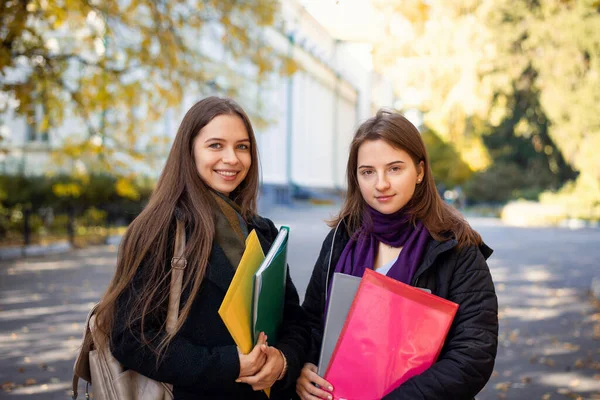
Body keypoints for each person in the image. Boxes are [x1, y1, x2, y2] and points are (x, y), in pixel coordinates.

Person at [93, 96, 307, 400]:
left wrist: (283, 360)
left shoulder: (263, 230)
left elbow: (294, 320)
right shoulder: (159, 231)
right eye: (216, 145)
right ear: (189, 150)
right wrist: (229, 365)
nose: (232, 158)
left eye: (242, 147)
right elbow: (131, 338)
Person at [296, 109, 498, 400]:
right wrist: (304, 370)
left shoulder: (456, 249)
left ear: (419, 171)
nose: (381, 184)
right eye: (368, 172)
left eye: (394, 168)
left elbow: (472, 356)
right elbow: (313, 322)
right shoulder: (343, 236)